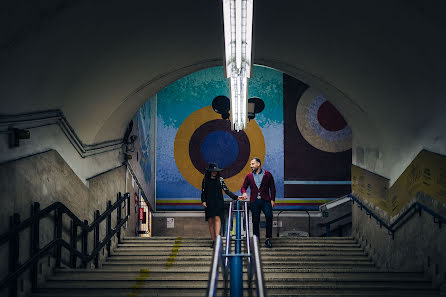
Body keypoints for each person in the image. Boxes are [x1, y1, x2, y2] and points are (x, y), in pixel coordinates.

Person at [240, 157, 276, 248]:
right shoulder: (249, 176)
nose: (251, 166)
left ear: (258, 164)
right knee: (255, 220)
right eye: (251, 164)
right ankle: (256, 240)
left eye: (252, 164)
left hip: (266, 200)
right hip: (254, 201)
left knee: (269, 216)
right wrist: (244, 193)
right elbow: (243, 187)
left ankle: (268, 239)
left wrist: (272, 199)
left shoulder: (268, 174)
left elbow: (272, 188)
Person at [201, 163, 239, 247]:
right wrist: (203, 201)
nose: (215, 172)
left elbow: (226, 190)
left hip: (218, 201)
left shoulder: (220, 179)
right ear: (210, 171)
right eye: (213, 171)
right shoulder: (205, 180)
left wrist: (236, 197)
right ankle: (213, 240)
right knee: (210, 221)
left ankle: (217, 240)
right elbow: (203, 192)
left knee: (217, 219)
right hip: (209, 202)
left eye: (216, 171)